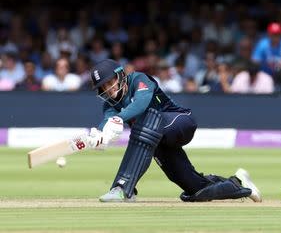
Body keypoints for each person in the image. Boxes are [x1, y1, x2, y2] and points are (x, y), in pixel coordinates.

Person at [87, 59, 261, 203]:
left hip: (179, 122)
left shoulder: (138, 79)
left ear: (121, 75)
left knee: (145, 126)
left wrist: (119, 119)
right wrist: (100, 136)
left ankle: (123, 188)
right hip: (157, 140)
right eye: (103, 87)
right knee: (195, 189)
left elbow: (141, 103)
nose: (108, 89)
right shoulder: (110, 104)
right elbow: (106, 122)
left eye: (110, 82)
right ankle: (238, 183)